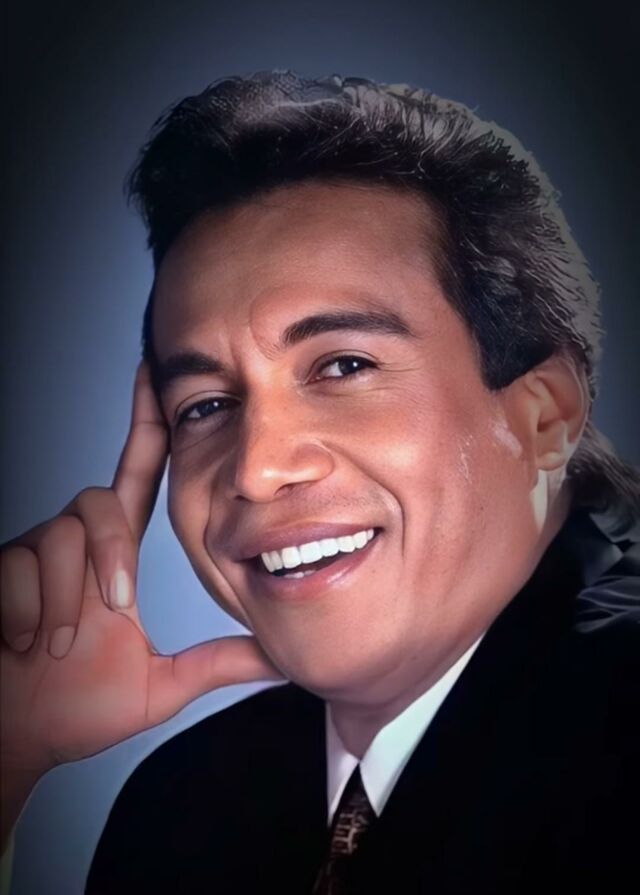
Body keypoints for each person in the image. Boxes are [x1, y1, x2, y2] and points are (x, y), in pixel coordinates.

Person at [1, 71, 638, 894]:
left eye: (343, 365)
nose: (257, 468)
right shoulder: (182, 808)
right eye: (206, 405)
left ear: (543, 416)